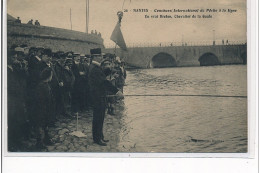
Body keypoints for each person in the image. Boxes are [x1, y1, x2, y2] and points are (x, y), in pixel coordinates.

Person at [88, 48, 123, 146]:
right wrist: (117, 91)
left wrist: (109, 71)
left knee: (101, 117)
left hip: (100, 96)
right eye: (99, 56)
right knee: (98, 118)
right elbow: (104, 82)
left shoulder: (95, 67)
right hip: (97, 96)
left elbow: (102, 76)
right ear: (95, 56)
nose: (101, 57)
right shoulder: (94, 68)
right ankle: (97, 138)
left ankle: (100, 136)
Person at [32, 67, 54, 150]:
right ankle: (39, 143)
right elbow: (41, 101)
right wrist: (45, 111)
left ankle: (46, 139)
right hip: (41, 110)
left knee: (45, 125)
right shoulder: (41, 86)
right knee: (40, 126)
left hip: (46, 109)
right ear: (48, 76)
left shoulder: (46, 85)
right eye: (51, 75)